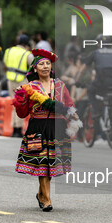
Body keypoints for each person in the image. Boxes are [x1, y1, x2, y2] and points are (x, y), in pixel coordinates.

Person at [12, 49, 80, 212]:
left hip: (57, 129)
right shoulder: (29, 87)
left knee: (51, 164)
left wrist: (74, 118)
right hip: (38, 127)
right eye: (41, 64)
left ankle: (41, 193)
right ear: (35, 68)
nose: (45, 66)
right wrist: (20, 100)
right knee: (43, 163)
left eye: (48, 63)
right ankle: (47, 200)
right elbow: (22, 114)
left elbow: (69, 104)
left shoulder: (60, 85)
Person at [3, 35, 33, 137]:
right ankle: (18, 130)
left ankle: (14, 128)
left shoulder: (8, 51)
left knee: (14, 104)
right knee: (22, 105)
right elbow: (33, 66)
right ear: (26, 44)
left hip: (10, 80)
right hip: (21, 81)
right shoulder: (27, 54)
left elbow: (4, 65)